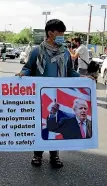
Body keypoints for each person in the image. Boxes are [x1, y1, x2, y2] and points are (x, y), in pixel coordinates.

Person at [16, 19, 94, 168]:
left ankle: (54, 155)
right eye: (60, 33)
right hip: (41, 96)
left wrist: (84, 78)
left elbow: (70, 72)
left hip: (58, 95)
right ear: (50, 33)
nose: (62, 37)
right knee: (40, 125)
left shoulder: (64, 52)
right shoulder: (37, 51)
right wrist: (22, 74)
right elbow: (28, 68)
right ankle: (37, 155)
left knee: (57, 124)